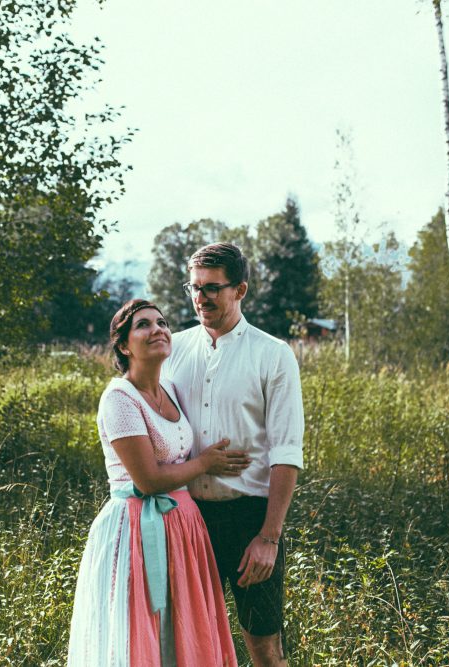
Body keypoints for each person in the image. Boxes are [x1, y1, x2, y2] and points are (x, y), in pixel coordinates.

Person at [67, 298, 248, 666]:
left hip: (183, 526)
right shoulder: (118, 398)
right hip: (136, 526)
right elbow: (148, 480)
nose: (158, 330)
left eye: (162, 323)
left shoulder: (171, 390)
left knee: (183, 630)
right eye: (144, 325)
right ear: (123, 344)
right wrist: (205, 463)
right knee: (142, 631)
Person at [162, 242, 304, 667]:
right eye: (194, 287)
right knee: (184, 644)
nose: (200, 298)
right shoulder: (172, 349)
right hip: (186, 519)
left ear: (240, 290)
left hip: (249, 521)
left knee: (263, 647)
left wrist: (269, 538)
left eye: (212, 288)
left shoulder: (272, 354)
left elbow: (286, 452)